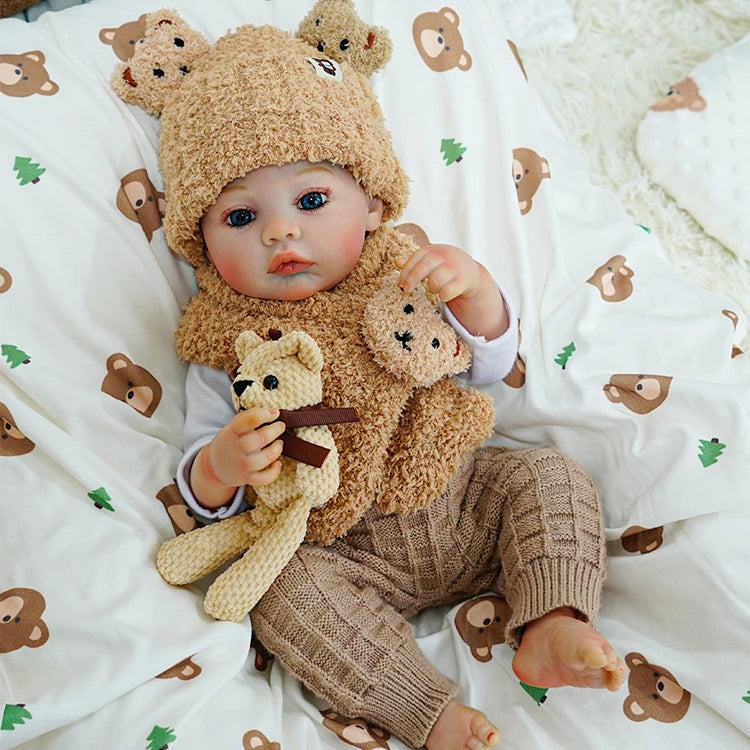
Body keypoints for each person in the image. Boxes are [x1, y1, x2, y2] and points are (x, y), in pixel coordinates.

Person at [151, 24, 625, 750]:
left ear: (372, 204)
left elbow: (489, 365)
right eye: (242, 217)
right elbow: (201, 490)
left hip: (465, 499)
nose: (282, 232)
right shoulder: (222, 340)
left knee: (548, 476)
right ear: (203, 245)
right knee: (281, 592)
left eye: (312, 201)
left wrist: (476, 296)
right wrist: (219, 467)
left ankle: (553, 619)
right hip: (341, 552)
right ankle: (426, 711)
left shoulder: (409, 269)